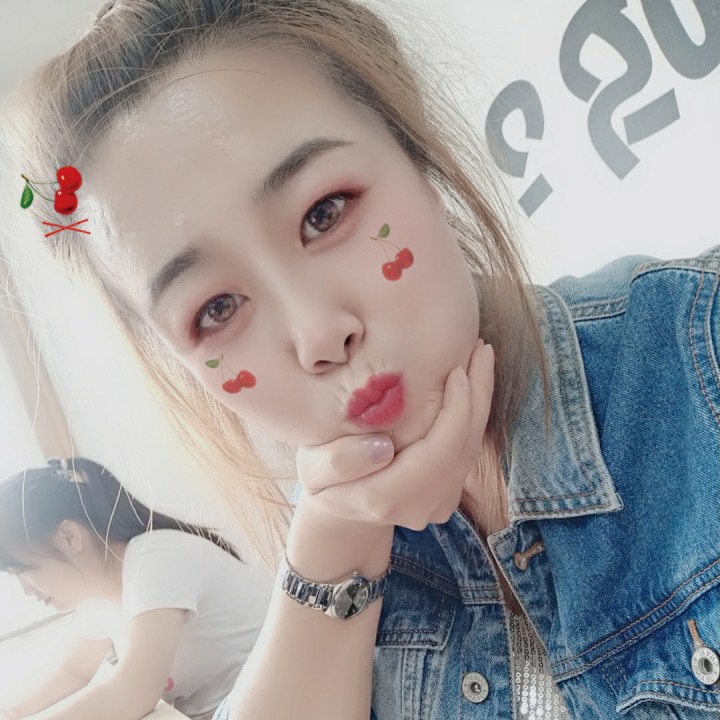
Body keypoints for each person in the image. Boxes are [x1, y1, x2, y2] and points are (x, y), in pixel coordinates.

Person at [2, 0, 719, 718]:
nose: (318, 335)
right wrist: (332, 542)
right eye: (216, 309)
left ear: (416, 152)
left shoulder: (698, 347)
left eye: (325, 212)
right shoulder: (336, 534)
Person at [0, 457, 269, 720]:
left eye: (26, 571)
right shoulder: (98, 593)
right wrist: (9, 711)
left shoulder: (154, 560)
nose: (26, 590)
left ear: (69, 537)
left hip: (264, 706)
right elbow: (73, 671)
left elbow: (134, 694)